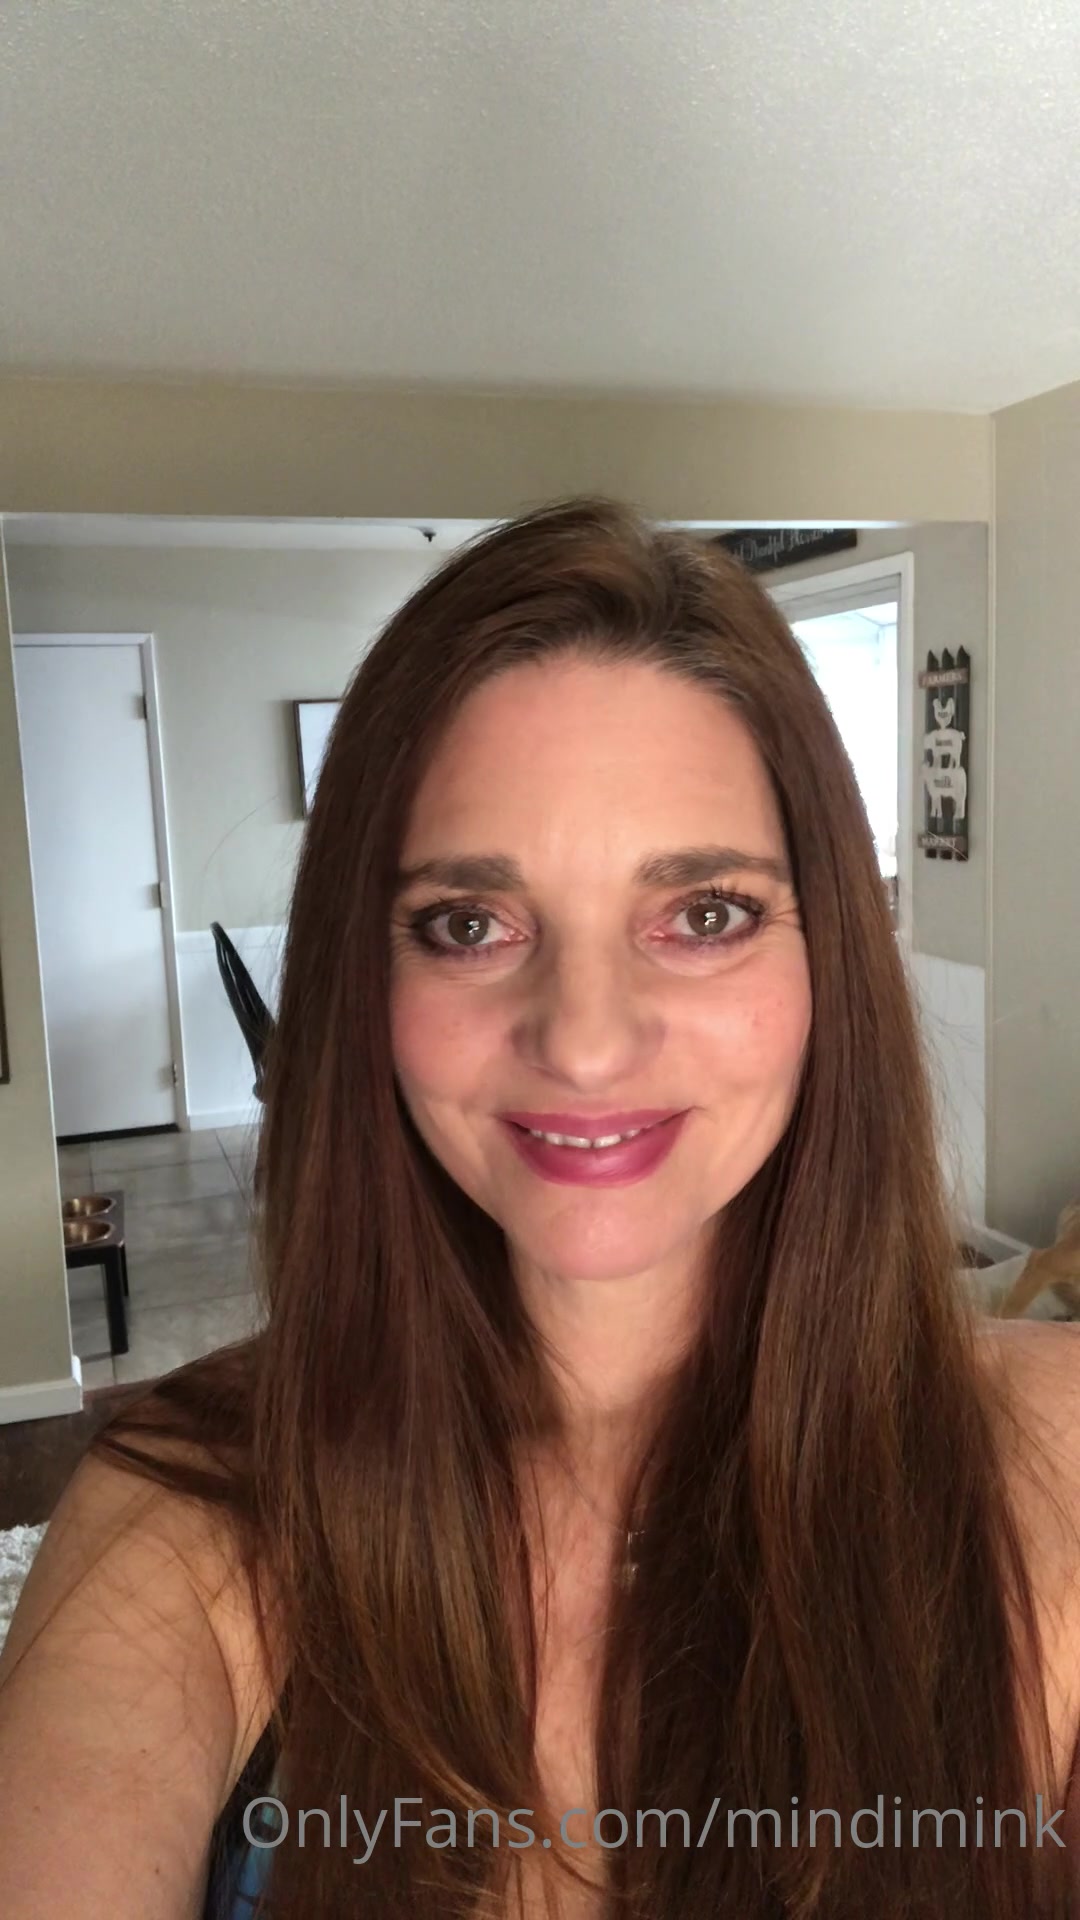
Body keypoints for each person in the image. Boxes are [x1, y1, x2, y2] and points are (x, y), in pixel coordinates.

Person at [1, 497, 1078, 1920]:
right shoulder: (186, 1523)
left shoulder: (1057, 1460)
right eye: (470, 924)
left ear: (830, 959)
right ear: (366, 981)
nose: (584, 1041)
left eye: (704, 913)